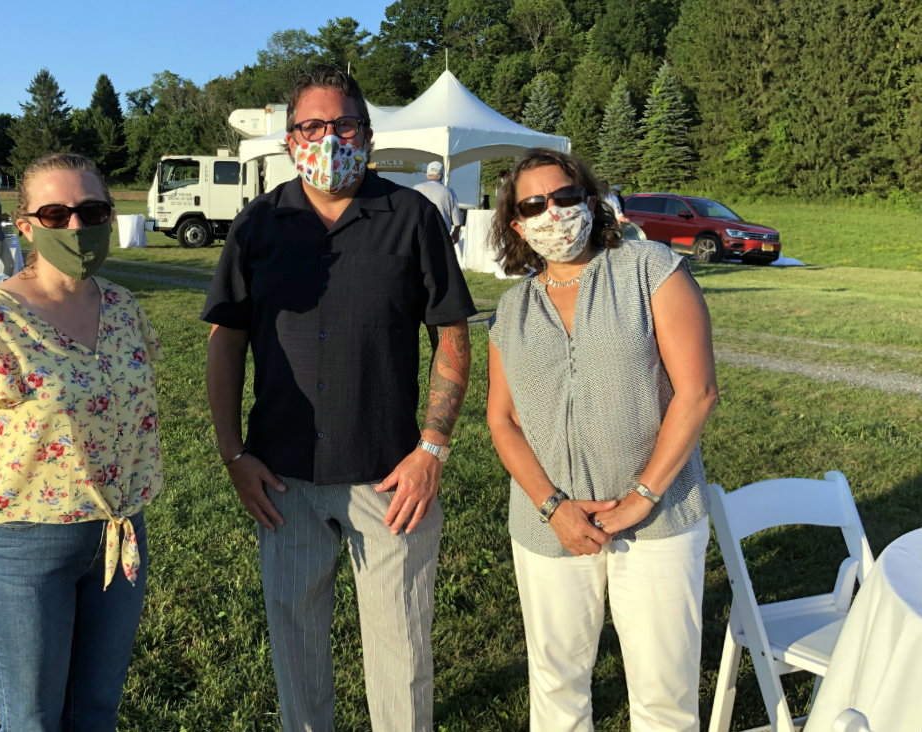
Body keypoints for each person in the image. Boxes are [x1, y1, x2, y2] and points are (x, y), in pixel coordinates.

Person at [202, 65, 475, 732]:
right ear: (290, 138)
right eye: (312, 126)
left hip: (390, 477)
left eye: (344, 123)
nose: (330, 138)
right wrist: (232, 452)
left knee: (401, 650)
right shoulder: (256, 226)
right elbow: (225, 341)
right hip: (283, 479)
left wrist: (432, 447)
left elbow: (451, 336)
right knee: (296, 649)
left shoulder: (411, 216)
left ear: (368, 131)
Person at [0, 152, 163, 732]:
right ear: (26, 226)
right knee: (32, 719)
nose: (77, 227)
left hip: (118, 537)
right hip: (22, 544)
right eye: (55, 214)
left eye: (92, 210)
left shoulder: (125, 308)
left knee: (95, 712)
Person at [485, 148, 717, 732]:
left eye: (564, 197)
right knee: (557, 688)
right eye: (533, 204)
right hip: (549, 526)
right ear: (516, 224)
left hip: (656, 519)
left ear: (590, 201)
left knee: (663, 696)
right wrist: (552, 506)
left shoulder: (650, 268)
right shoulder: (510, 311)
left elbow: (697, 393)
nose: (552, 213)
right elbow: (502, 422)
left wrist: (643, 495)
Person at [413, 160, 462, 241]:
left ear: (427, 174)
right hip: (441, 234)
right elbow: (457, 218)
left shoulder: (416, 188)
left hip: (419, 233)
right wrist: (456, 233)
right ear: (441, 175)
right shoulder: (448, 191)